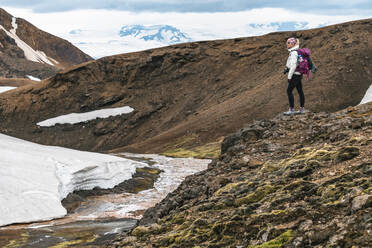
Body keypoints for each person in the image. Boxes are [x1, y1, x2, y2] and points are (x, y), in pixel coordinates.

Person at [283, 37, 305, 115]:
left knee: (289, 91)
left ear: (292, 44)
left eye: (288, 43)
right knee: (300, 91)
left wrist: (289, 77)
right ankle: (302, 109)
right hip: (299, 74)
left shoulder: (293, 53)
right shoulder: (297, 51)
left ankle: (291, 110)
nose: (287, 44)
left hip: (295, 75)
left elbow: (293, 66)